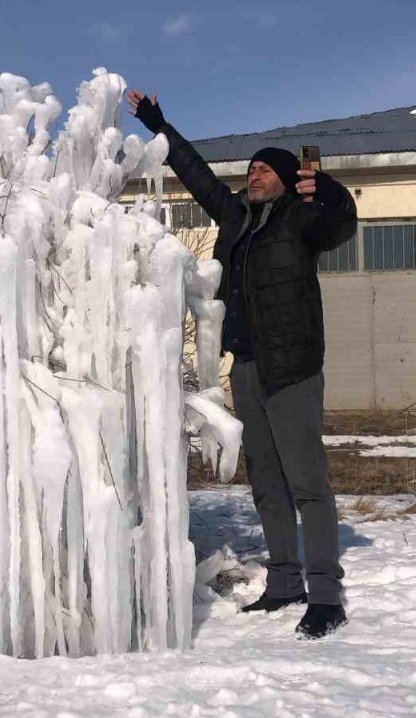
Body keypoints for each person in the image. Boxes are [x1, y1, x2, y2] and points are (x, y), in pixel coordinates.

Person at [128, 90, 358, 639]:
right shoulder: (234, 218)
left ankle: (325, 593)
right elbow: (199, 175)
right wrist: (159, 124)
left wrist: (325, 190)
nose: (254, 175)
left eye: (264, 170)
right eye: (251, 169)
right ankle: (284, 581)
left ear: (284, 179)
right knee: (267, 486)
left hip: (294, 367)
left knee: (307, 484)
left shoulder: (303, 220)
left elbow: (342, 223)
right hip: (248, 367)